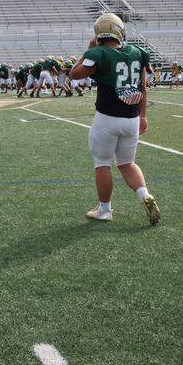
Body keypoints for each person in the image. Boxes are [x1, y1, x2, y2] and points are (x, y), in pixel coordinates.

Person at [69, 13, 160, 225]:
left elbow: (74, 74)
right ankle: (145, 195)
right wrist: (143, 116)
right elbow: (143, 87)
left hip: (107, 118)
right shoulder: (137, 52)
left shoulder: (99, 53)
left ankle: (105, 210)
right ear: (120, 31)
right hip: (132, 118)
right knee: (128, 163)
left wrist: (88, 51)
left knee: (102, 163)